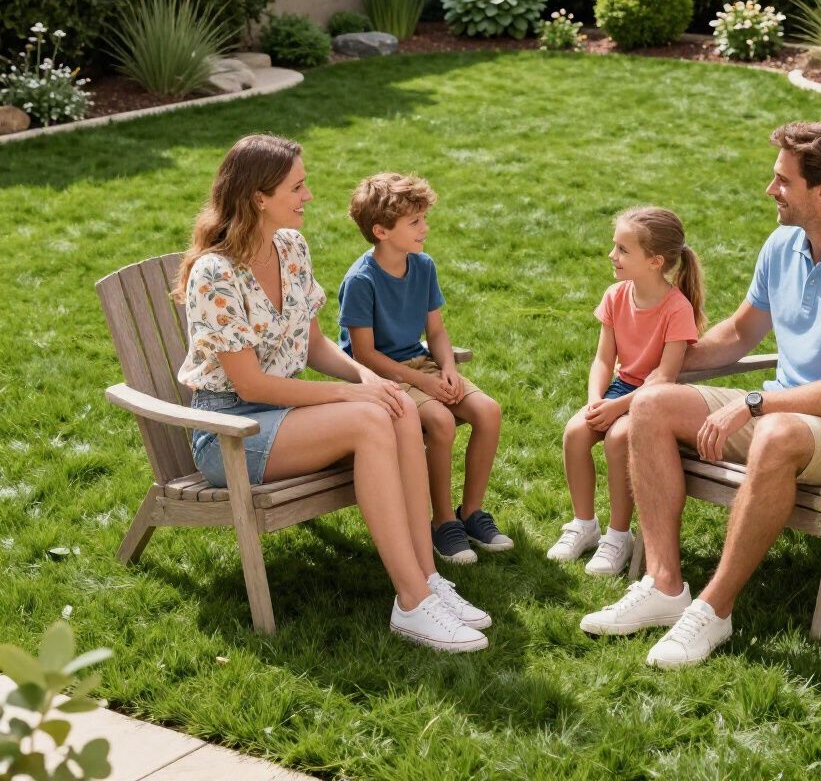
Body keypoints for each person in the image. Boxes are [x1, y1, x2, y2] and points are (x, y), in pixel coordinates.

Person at [580, 121, 821, 669]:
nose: (770, 190)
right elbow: (740, 334)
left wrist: (757, 403)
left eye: (782, 181)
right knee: (651, 404)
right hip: (784, 412)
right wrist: (666, 358)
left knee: (780, 432)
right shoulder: (785, 244)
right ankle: (665, 586)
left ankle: (713, 610)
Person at [174, 134, 491, 653]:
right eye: (297, 186)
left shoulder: (291, 248)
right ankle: (411, 604)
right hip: (232, 432)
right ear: (259, 197)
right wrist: (351, 399)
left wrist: (371, 381)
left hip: (287, 415)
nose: (309, 195)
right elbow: (249, 384)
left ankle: (428, 581)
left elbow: (316, 342)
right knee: (369, 420)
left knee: (399, 410)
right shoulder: (216, 272)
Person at [339, 172, 511, 565]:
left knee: (488, 411)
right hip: (385, 376)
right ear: (381, 231)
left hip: (424, 365)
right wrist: (423, 384)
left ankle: (471, 513)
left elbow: (436, 329)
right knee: (442, 421)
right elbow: (364, 354)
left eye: (423, 218)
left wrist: (447, 369)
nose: (425, 228)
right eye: (414, 222)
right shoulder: (361, 281)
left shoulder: (423, 266)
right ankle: (442, 522)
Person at [547, 207, 703, 576]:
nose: (612, 255)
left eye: (622, 249)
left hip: (654, 399)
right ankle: (584, 525)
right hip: (619, 390)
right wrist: (595, 400)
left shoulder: (676, 308)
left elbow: (664, 378)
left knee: (618, 439)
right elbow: (603, 359)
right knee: (575, 432)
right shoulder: (616, 296)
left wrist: (617, 409)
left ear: (654, 261)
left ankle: (619, 536)